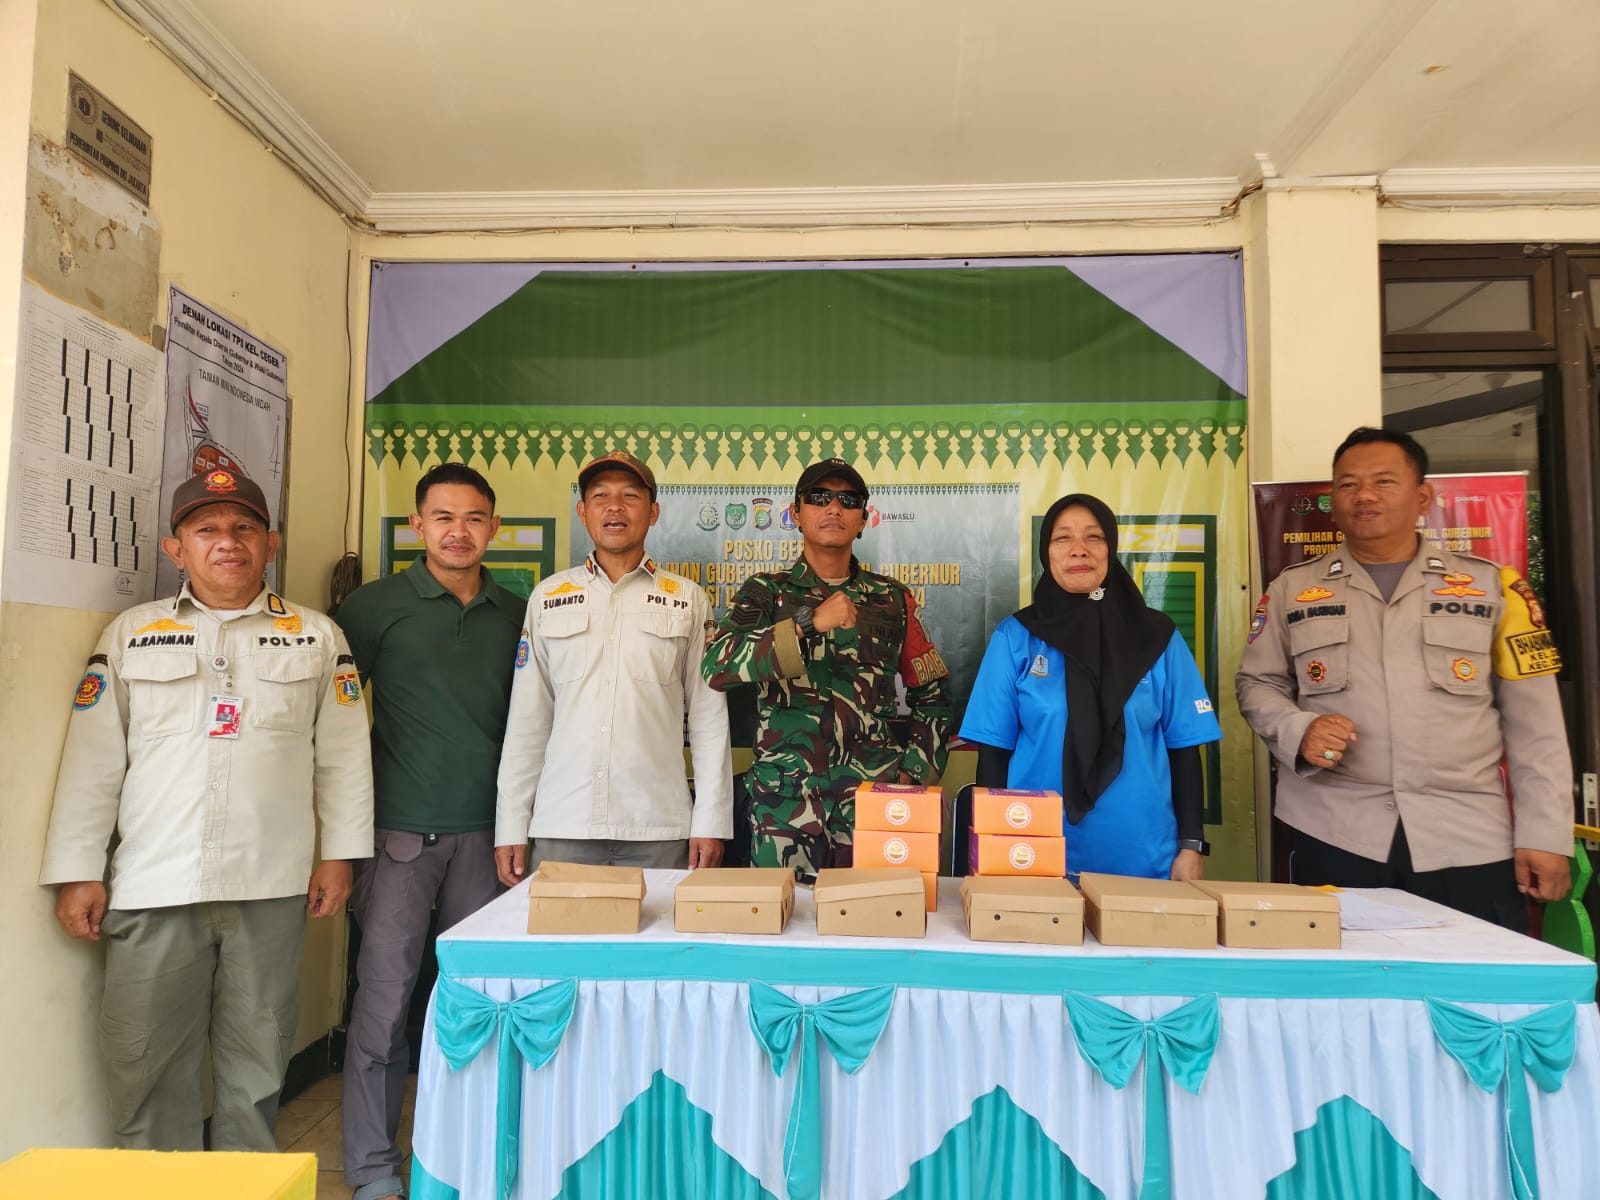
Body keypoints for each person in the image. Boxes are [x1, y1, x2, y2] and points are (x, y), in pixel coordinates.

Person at [38, 468, 373, 1151]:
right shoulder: (132, 634)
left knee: (257, 1069)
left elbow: (343, 757)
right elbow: (93, 762)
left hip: (269, 882)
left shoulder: (315, 637)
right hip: (155, 883)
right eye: (207, 529)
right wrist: (78, 870)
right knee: (144, 1069)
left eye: (245, 527)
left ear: (271, 543)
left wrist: (339, 856)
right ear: (177, 548)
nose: (228, 541)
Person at [1236, 427, 1573, 928]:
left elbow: (1537, 724)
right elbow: (1256, 683)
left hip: (1467, 837)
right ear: (1333, 501)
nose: (1364, 495)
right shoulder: (1291, 589)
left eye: (1384, 481)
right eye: (1348, 484)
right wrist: (1298, 730)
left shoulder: (1494, 589)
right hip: (1335, 830)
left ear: (1423, 498)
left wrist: (1545, 834)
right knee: (1343, 975)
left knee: (1469, 974)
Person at [334, 462, 522, 1200]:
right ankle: (373, 1168)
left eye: (474, 518)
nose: (458, 532)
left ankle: (466, 1158)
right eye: (443, 517)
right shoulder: (372, 608)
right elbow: (333, 723)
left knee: (478, 1005)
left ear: (494, 528)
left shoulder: (519, 613)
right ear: (417, 525)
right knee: (384, 1006)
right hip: (398, 838)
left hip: (493, 842)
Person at [703, 457, 952, 879]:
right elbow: (717, 666)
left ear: (863, 520)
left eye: (848, 500)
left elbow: (935, 697)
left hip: (871, 808)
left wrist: (911, 776)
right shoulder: (766, 593)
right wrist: (807, 624)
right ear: (795, 513)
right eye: (819, 498)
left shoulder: (891, 600)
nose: (834, 508)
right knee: (782, 918)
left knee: (874, 913)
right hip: (784, 809)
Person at [495, 450, 731, 878]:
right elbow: (528, 718)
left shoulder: (687, 599)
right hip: (563, 823)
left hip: (658, 825)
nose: (615, 507)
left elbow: (708, 717)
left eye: (630, 496)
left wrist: (710, 822)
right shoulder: (548, 597)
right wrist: (510, 824)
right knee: (559, 928)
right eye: (600, 496)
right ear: (582, 512)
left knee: (662, 927)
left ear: (653, 512)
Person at [961, 493, 1221, 880]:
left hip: (1143, 859)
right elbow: (994, 754)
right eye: (1063, 537)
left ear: (1110, 548)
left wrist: (1191, 845)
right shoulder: (1016, 637)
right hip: (1031, 857)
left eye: (1094, 537)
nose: (1078, 549)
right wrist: (992, 847)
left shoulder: (1157, 637)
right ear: (1046, 552)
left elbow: (1184, 748)